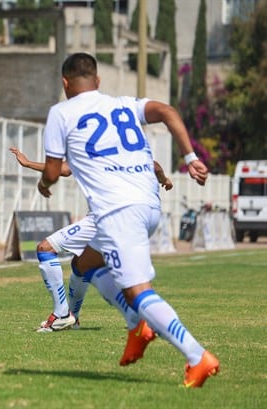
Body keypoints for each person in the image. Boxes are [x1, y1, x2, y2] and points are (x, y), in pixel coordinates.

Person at [39, 52, 218, 388]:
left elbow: (52, 171)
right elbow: (166, 111)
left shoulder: (61, 113)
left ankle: (197, 356)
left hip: (119, 212)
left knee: (138, 292)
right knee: (84, 264)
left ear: (65, 83)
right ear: (98, 81)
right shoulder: (123, 104)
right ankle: (137, 326)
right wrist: (190, 157)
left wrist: (44, 183)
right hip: (149, 204)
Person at [9, 147, 173, 335]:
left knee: (45, 249)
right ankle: (74, 317)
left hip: (101, 218)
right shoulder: (125, 150)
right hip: (133, 217)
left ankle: (63, 314)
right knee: (81, 265)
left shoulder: (93, 146)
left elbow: (62, 170)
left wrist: (29, 164)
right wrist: (164, 180)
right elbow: (156, 167)